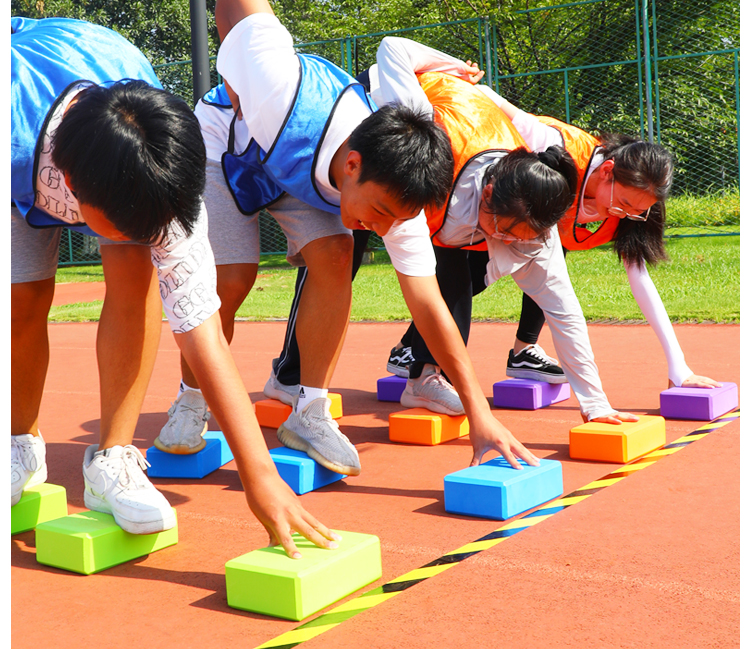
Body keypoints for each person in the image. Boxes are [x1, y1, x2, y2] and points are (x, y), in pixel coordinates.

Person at [11, 16, 338, 558]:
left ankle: (112, 458)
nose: (147, 238)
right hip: (21, 127)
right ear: (70, 187)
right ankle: (20, 443)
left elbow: (201, 333)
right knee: (21, 298)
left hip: (94, 117)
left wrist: (260, 476)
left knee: (135, 273)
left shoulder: (158, 164)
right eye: (125, 226)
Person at [172, 0, 541, 473]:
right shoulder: (276, 84)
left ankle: (309, 412)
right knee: (232, 281)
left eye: (395, 219)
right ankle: (190, 400)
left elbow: (428, 305)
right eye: (381, 213)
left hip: (302, 176)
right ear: (352, 166)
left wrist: (480, 413)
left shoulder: (397, 197)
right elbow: (237, 7)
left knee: (337, 253)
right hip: (230, 146)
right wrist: (236, 68)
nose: (385, 228)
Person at [354, 36, 639, 425]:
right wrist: (453, 65)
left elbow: (564, 312)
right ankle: (296, 381)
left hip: (454, 197)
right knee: (340, 251)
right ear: (487, 196)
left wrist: (596, 403)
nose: (507, 243)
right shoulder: (430, 140)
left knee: (456, 283)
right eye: (504, 231)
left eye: (521, 238)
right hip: (372, 119)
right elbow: (391, 47)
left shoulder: (534, 228)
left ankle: (422, 377)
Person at [481, 94, 720, 391]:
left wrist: (678, 367)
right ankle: (415, 350)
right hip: (497, 208)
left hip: (547, 230)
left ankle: (522, 352)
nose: (628, 215)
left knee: (552, 268)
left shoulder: (638, 204)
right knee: (469, 276)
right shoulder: (558, 145)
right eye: (623, 205)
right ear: (607, 172)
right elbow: (502, 107)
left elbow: (639, 276)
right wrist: (459, 73)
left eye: (638, 210)